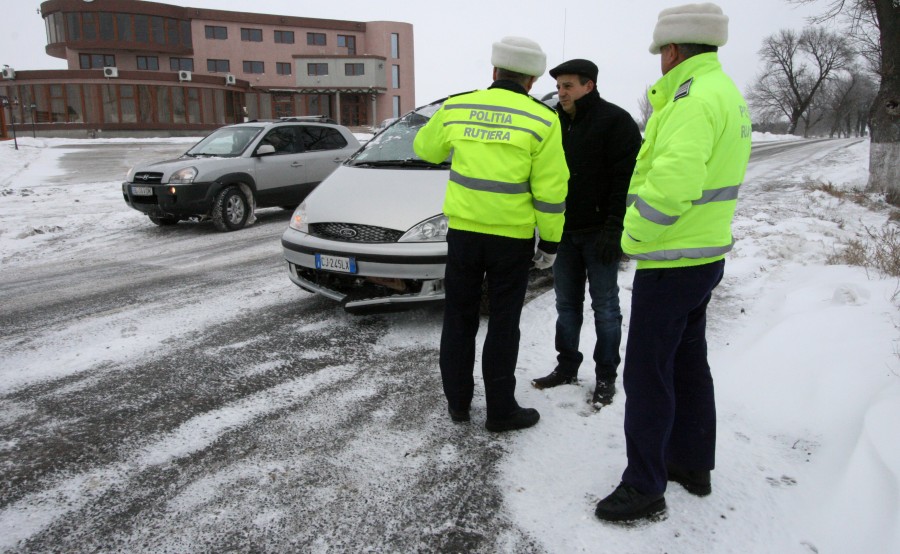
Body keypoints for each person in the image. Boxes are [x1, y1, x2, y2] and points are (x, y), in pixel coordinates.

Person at [594, 2, 752, 522]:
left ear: (674, 50)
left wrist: (631, 236)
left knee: (646, 375)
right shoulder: (723, 91)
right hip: (703, 255)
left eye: (662, 50)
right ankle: (689, 463)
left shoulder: (690, 100)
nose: (661, 59)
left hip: (673, 259)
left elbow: (674, 184)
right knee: (686, 363)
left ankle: (644, 485)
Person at [413, 36, 569, 433]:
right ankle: (501, 411)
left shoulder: (459, 107)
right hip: (511, 241)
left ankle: (458, 405)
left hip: (463, 234)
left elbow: (425, 149)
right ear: (532, 80)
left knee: (459, 318)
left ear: (494, 71)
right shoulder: (542, 120)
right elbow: (551, 190)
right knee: (503, 323)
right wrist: (550, 241)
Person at [530, 59, 641, 407]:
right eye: (559, 87)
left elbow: (626, 181)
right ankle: (567, 367)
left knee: (606, 307)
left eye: (568, 86)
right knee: (567, 306)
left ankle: (606, 375)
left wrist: (614, 230)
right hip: (564, 231)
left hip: (600, 234)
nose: (561, 93)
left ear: (588, 85)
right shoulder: (554, 123)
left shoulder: (616, 122)